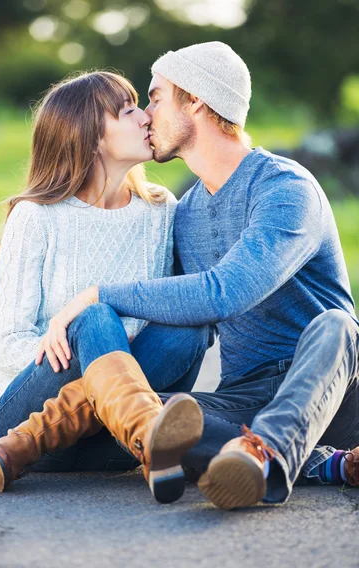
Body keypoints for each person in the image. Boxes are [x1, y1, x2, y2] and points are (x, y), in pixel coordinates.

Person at [27, 42, 359, 510]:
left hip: (330, 389)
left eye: (156, 96)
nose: (145, 113)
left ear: (197, 100)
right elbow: (179, 308)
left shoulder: (286, 188)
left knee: (338, 325)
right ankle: (309, 462)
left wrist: (100, 294)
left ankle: (267, 454)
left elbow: (226, 293)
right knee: (141, 415)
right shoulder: (187, 213)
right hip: (243, 399)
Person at [0, 70, 210, 504]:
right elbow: (5, 344)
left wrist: (107, 360)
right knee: (95, 316)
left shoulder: (160, 211)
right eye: (128, 109)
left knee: (190, 326)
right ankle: (150, 435)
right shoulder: (38, 217)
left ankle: (146, 434)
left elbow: (176, 312)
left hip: (108, 443)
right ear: (92, 137)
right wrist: (85, 345)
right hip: (27, 415)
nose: (147, 117)